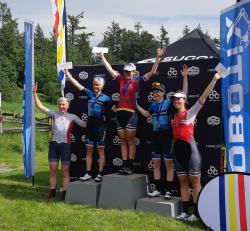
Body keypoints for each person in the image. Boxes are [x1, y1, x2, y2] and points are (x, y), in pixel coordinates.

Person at [99, 48, 166, 175]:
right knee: (122, 140)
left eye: (129, 72)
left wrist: (157, 57)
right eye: (125, 71)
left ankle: (130, 166)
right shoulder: (120, 79)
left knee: (130, 140)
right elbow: (110, 69)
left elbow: (152, 72)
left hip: (131, 113)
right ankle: (124, 165)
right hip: (120, 113)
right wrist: (102, 57)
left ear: (134, 72)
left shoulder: (138, 80)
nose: (127, 73)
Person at [172, 72, 221, 222]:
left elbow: (203, 97)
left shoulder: (190, 113)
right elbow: (184, 92)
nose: (176, 101)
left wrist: (214, 79)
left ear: (184, 101)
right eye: (174, 99)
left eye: (178, 99)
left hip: (191, 152)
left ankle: (197, 214)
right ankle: (185, 212)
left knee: (195, 183)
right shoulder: (173, 116)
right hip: (177, 153)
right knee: (183, 183)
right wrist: (185, 77)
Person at [137, 65, 188, 199]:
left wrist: (185, 77)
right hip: (155, 136)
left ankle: (169, 191)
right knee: (156, 164)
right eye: (154, 93)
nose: (156, 94)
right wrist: (135, 105)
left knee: (168, 164)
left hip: (167, 136)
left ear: (163, 93)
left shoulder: (170, 103)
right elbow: (147, 115)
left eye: (158, 92)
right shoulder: (153, 105)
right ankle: (158, 189)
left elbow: (183, 95)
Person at [33, 82, 86, 201]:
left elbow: (84, 124)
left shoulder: (72, 117)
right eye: (60, 104)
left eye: (64, 105)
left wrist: (96, 120)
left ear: (68, 106)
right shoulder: (54, 114)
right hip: (54, 146)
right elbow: (41, 107)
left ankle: (65, 194)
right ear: (58, 105)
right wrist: (34, 93)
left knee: (65, 171)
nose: (61, 106)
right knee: (52, 171)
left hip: (65, 146)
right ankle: (51, 193)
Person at [63, 69, 113, 182]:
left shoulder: (107, 98)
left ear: (102, 86)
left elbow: (114, 110)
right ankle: (88, 173)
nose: (95, 86)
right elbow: (78, 85)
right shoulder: (90, 94)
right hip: (90, 126)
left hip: (100, 126)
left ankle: (100, 173)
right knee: (89, 150)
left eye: (98, 85)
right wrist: (68, 75)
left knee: (100, 151)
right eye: (94, 84)